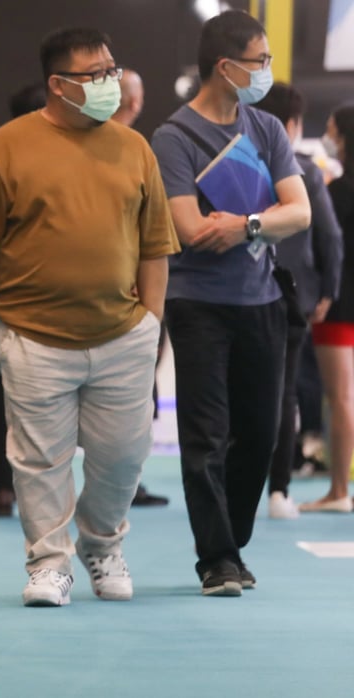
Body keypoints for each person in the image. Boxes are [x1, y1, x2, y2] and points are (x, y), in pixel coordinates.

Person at [0, 27, 178, 606]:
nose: (110, 82)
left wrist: (151, 322)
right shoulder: (5, 146)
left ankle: (102, 545)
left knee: (123, 455)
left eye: (111, 69)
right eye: (94, 74)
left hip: (124, 332)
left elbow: (155, 245)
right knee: (39, 459)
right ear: (57, 84)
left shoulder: (134, 148)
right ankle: (49, 563)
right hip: (30, 333)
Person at [150, 10, 311, 596]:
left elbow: (301, 212)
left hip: (263, 300)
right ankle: (216, 557)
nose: (268, 71)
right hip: (198, 305)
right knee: (205, 436)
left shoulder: (266, 128)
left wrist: (245, 225)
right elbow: (191, 228)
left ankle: (232, 544)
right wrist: (263, 222)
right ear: (226, 67)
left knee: (263, 434)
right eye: (260, 61)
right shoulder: (171, 138)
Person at [252, 84, 343, 518]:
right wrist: (328, 289)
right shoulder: (305, 171)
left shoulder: (238, 165)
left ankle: (240, 487)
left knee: (241, 391)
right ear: (291, 125)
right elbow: (329, 235)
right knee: (283, 391)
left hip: (242, 291)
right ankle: (279, 491)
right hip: (293, 295)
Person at [0, 81, 46, 518]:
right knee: (25, 399)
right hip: (18, 300)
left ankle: (6, 488)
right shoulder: (15, 166)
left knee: (5, 396)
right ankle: (11, 487)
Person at [110, 68, 172, 509]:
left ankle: (126, 483)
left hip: (133, 303)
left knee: (130, 397)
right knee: (125, 397)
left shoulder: (139, 153)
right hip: (122, 301)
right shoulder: (137, 154)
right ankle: (123, 484)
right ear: (134, 103)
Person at [301, 104, 354, 513]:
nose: (328, 137)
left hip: (336, 305)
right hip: (339, 303)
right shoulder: (333, 188)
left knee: (339, 399)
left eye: (333, 131)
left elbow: (324, 248)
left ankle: (339, 490)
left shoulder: (334, 191)